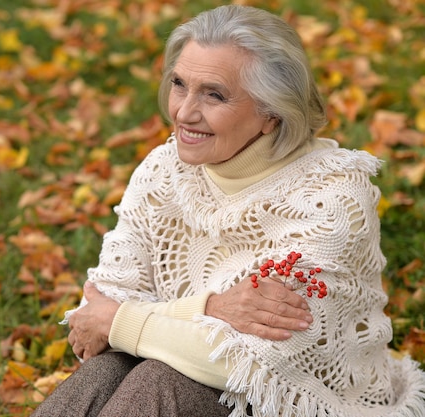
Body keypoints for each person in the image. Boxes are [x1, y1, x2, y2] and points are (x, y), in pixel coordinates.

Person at [31, 5, 425, 417]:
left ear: (272, 112)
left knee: (160, 380)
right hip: (175, 370)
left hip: (293, 401)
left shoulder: (331, 198)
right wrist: (209, 310)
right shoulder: (164, 171)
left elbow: (251, 363)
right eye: (179, 84)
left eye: (214, 94)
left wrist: (124, 323)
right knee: (103, 373)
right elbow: (99, 311)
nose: (183, 112)